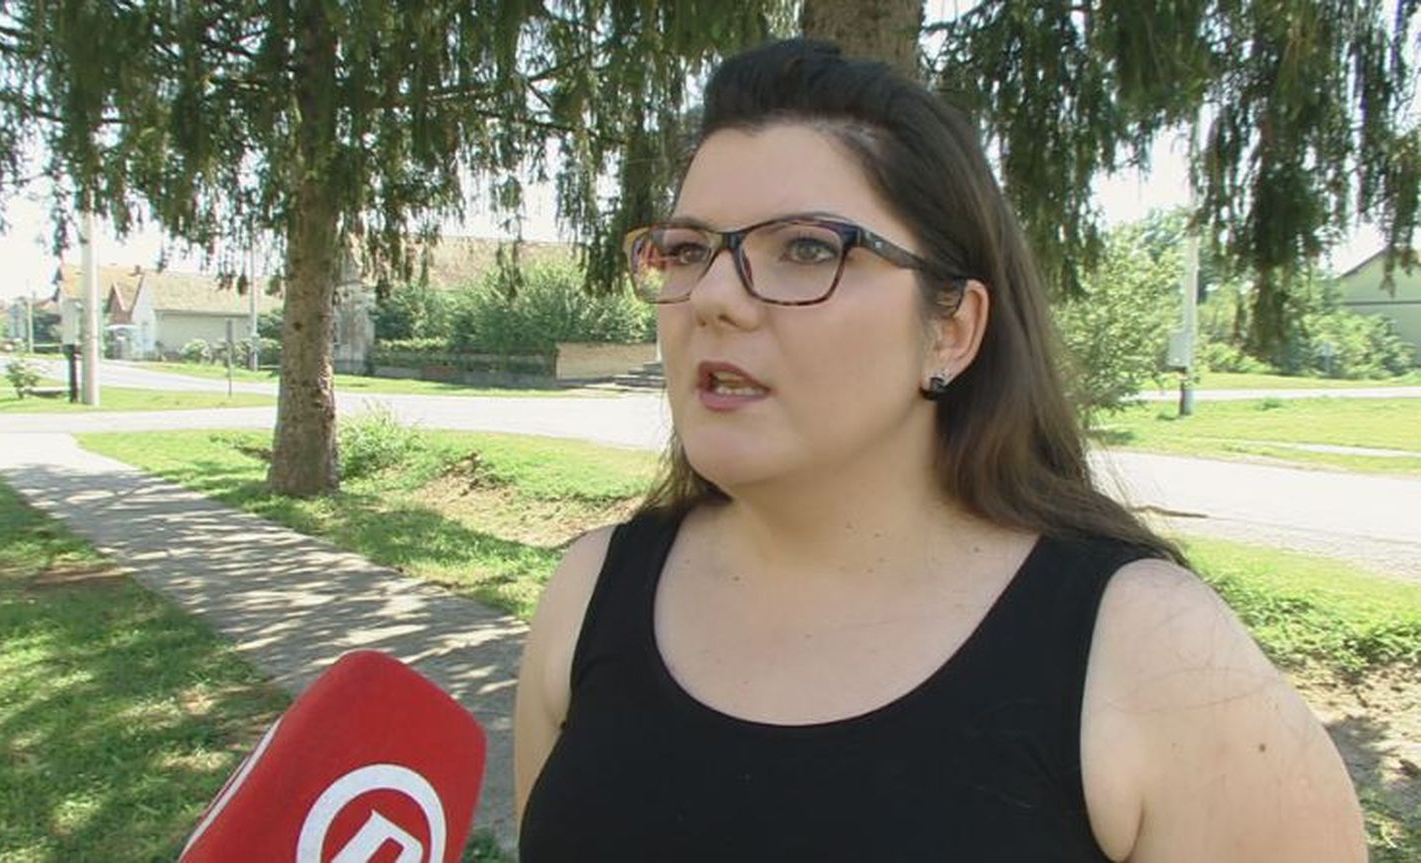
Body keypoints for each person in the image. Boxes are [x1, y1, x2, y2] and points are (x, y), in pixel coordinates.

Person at [513, 38, 1365, 861]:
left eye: (807, 248)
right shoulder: (587, 595)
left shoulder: (1152, 653)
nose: (712, 298)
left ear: (951, 330)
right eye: (688, 250)